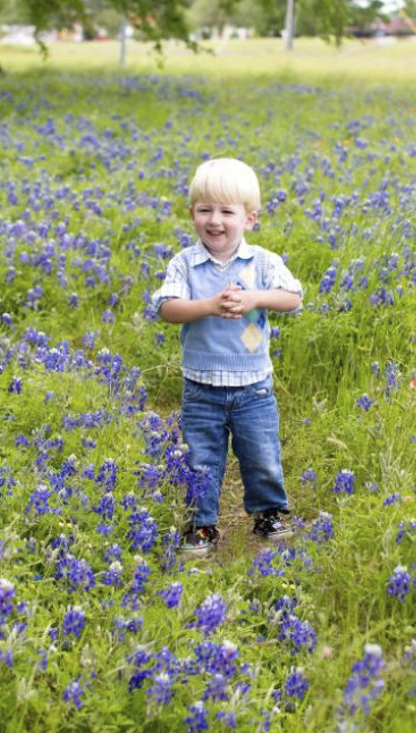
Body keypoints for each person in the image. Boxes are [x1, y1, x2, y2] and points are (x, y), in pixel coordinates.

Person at [151, 158, 303, 555]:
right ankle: (201, 524)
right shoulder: (184, 263)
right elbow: (167, 308)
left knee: (261, 453)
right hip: (201, 387)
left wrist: (254, 297)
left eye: (226, 212)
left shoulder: (264, 262)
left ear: (250, 219)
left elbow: (292, 299)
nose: (215, 220)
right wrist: (207, 306)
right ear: (192, 215)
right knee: (201, 459)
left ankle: (269, 512)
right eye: (205, 210)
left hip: (253, 386)